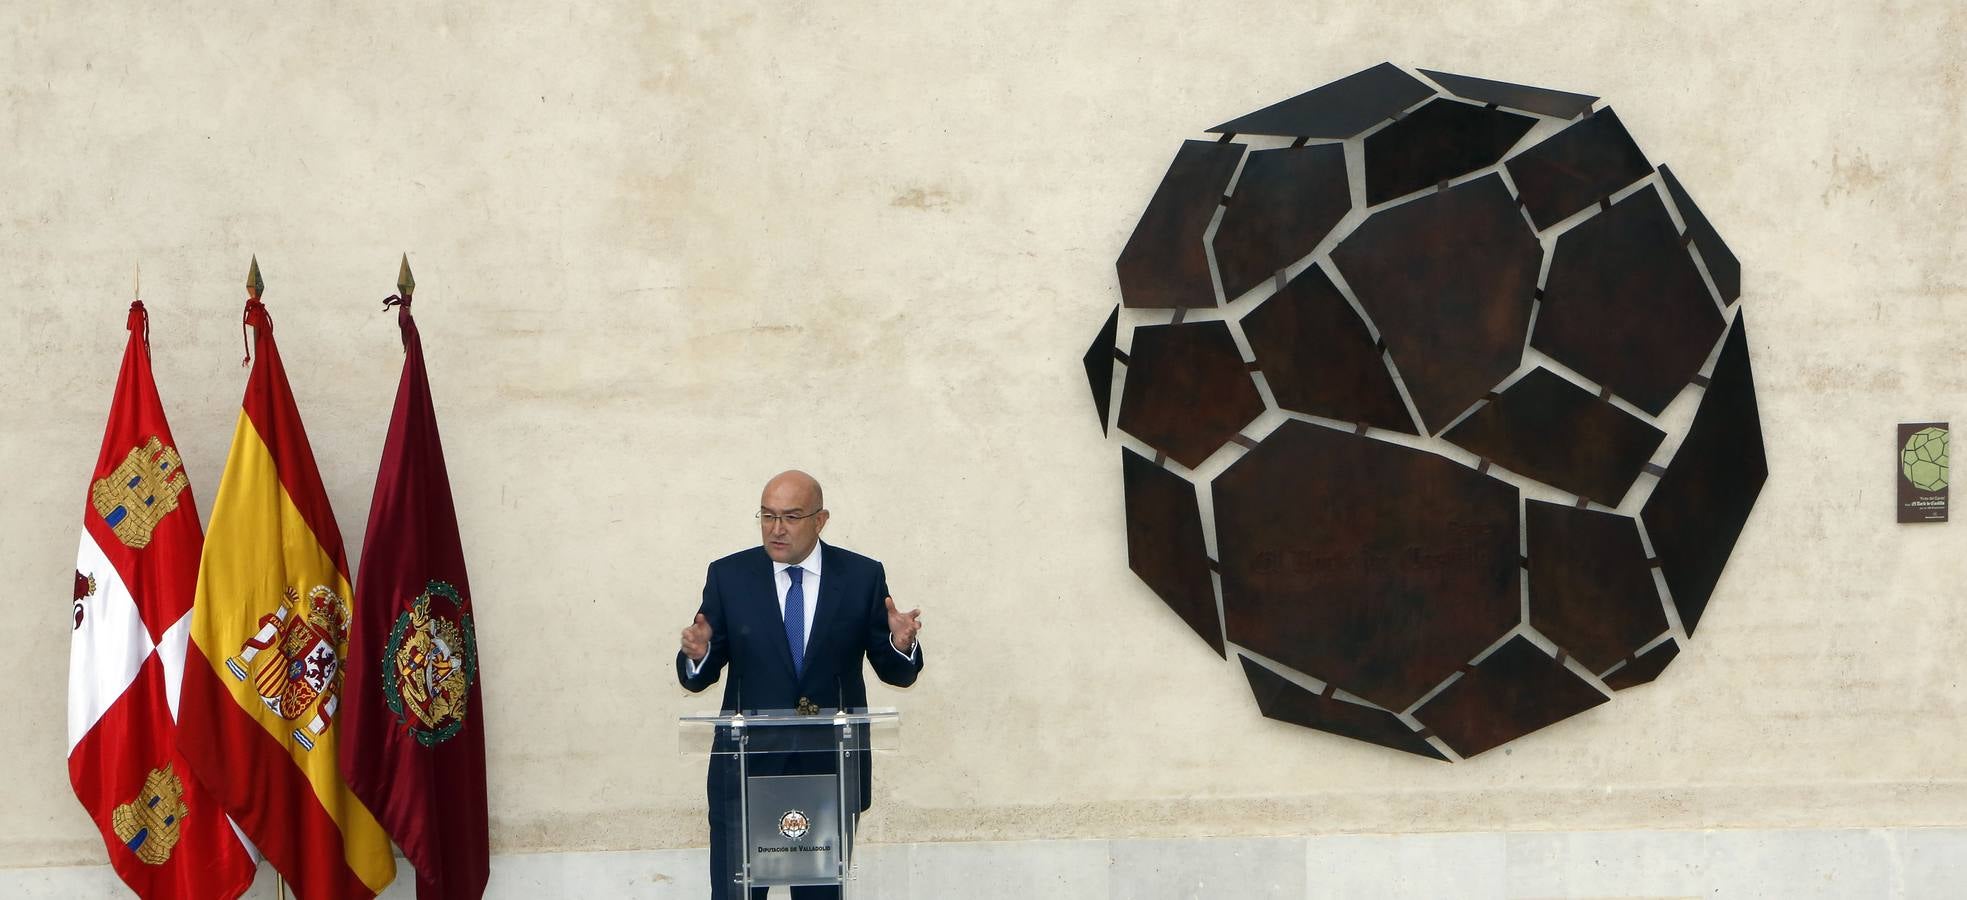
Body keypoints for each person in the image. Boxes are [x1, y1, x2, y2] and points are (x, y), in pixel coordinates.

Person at [678, 470, 924, 899]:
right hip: (746, 772)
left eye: (790, 517)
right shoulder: (729, 576)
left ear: (820, 519)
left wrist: (900, 645)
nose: (776, 529)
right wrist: (697, 656)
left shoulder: (861, 577)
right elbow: (702, 669)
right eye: (767, 515)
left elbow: (895, 672)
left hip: (828, 772)